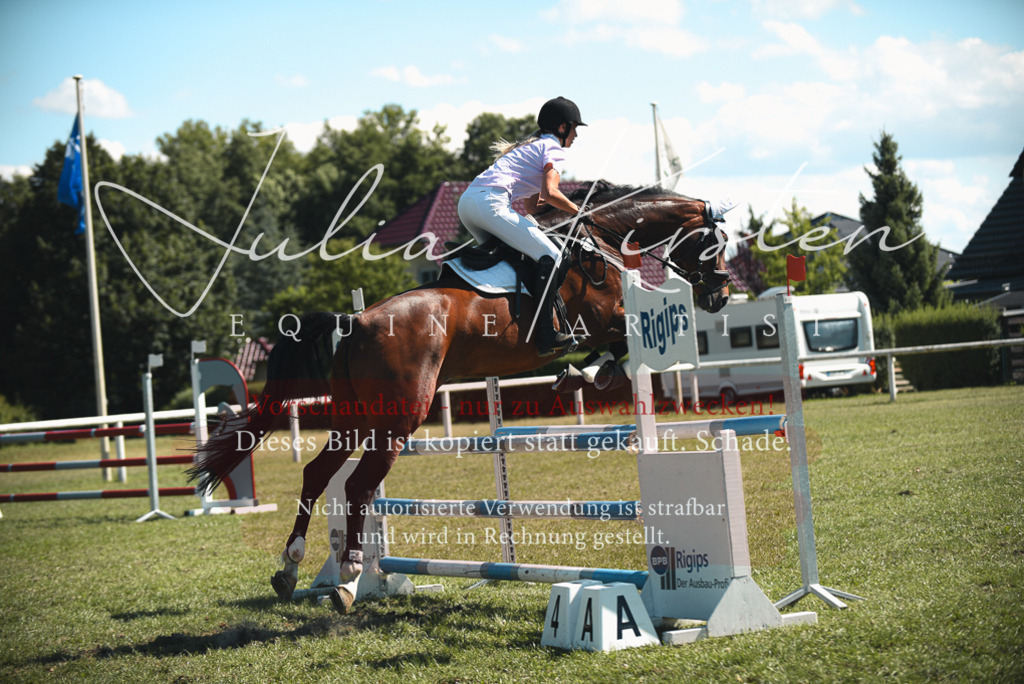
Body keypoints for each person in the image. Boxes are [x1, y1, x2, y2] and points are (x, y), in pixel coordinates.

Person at [457, 96, 585, 354]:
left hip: (468, 204)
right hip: (491, 204)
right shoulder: (553, 148)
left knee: (516, 260)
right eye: (575, 129)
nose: (576, 136)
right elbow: (551, 193)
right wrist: (580, 212)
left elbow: (532, 207)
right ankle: (547, 334)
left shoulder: (531, 147)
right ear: (562, 128)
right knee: (553, 255)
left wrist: (559, 215)